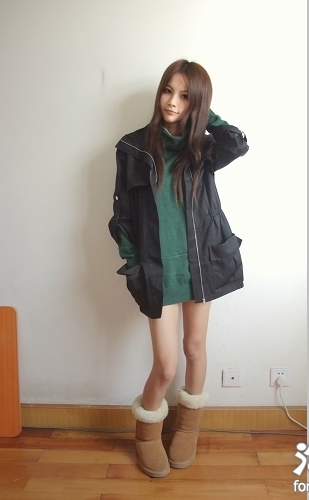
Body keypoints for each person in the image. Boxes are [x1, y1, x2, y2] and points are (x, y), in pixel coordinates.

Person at [108, 59, 249, 478]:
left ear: (197, 103)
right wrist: (133, 261)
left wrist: (204, 115)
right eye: (168, 90)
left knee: (194, 348)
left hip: (200, 264)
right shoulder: (132, 148)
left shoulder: (204, 149)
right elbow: (122, 216)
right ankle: (147, 435)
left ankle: (188, 428)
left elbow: (238, 143)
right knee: (166, 365)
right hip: (157, 269)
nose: (172, 101)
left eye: (185, 96)